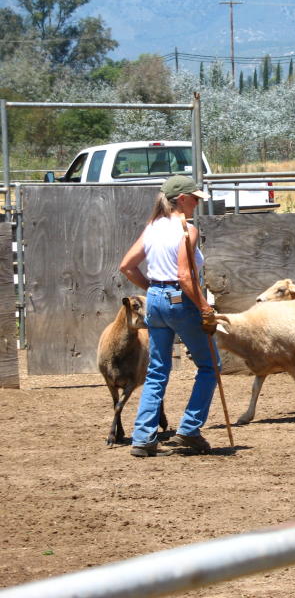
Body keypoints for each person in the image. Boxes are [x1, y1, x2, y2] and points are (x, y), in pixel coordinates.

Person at [120, 175, 219, 456]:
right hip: (180, 300)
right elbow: (186, 277)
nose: (198, 203)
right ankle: (188, 430)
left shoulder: (152, 227)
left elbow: (127, 266)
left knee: (157, 370)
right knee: (210, 365)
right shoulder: (186, 229)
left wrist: (152, 289)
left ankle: (143, 438)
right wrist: (204, 307)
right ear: (183, 199)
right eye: (196, 198)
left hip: (155, 301)